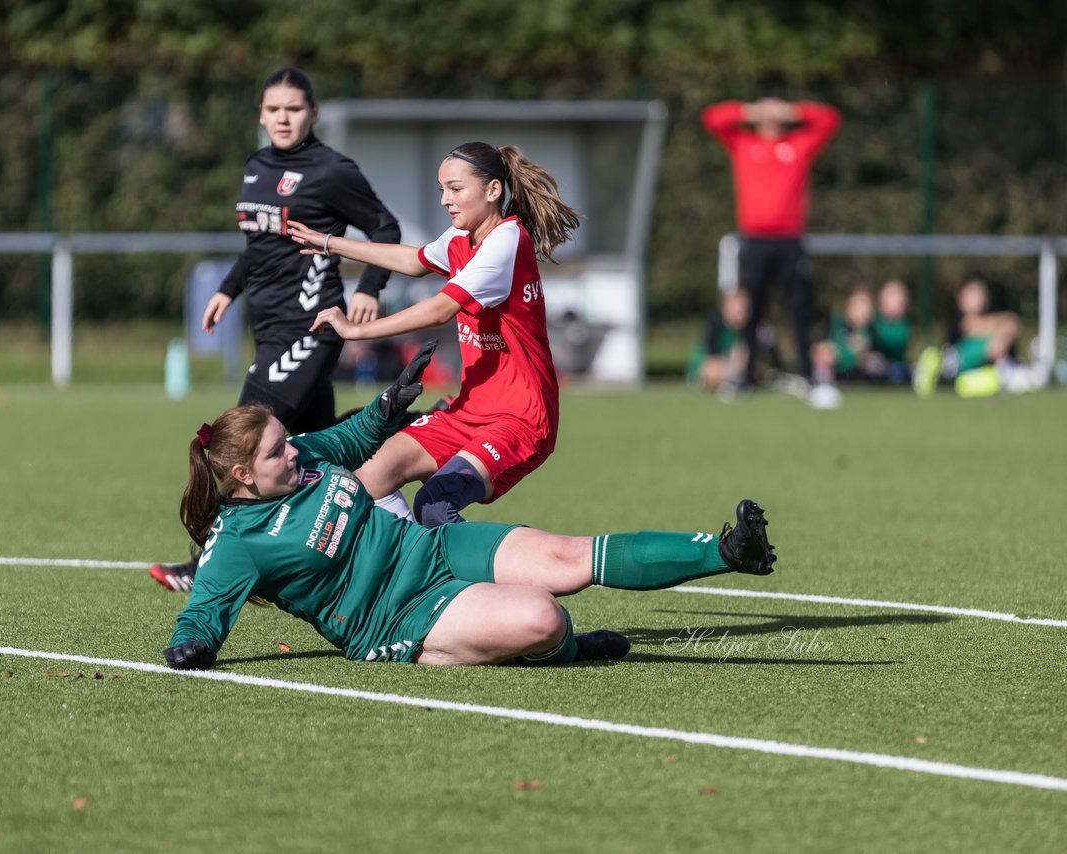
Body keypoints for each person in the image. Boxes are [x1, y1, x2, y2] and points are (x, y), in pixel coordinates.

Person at [162, 343, 777, 670]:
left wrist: (384, 407)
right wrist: (193, 646)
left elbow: (345, 441)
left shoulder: (303, 453)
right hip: (395, 616)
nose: (293, 455)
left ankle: (727, 551)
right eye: (277, 454)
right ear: (242, 476)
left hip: (431, 548)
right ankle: (567, 648)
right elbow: (205, 610)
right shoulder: (235, 540)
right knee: (543, 617)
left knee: (568, 559)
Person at [150, 67, 400, 591]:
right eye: (273, 110)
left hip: (310, 329)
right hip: (269, 329)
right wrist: (227, 288)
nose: (283, 118)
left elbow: (385, 226)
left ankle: (207, 567)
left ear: (313, 113)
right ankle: (361, 547)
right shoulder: (257, 165)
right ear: (260, 115)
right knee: (326, 450)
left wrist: (369, 288)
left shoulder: (332, 169)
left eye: (294, 109)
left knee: (237, 446)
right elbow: (259, 248)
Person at [286, 141, 579, 531]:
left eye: (455, 189)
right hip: (469, 409)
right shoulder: (461, 239)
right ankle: (417, 574)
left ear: (493, 190)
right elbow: (412, 260)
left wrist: (358, 331)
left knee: (435, 503)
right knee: (368, 477)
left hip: (520, 418)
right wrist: (328, 243)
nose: (445, 199)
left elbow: (440, 308)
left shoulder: (506, 241)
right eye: (441, 189)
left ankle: (508, 574)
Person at [702, 97, 842, 384]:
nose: (770, 122)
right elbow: (712, 118)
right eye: (765, 118)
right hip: (755, 240)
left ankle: (808, 374)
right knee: (752, 310)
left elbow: (830, 120)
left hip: (790, 240)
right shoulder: (744, 144)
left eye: (775, 118)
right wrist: (750, 110)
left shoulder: (798, 146)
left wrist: (793, 110)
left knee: (798, 309)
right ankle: (746, 376)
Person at [914, 277, 1045, 397]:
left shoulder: (992, 312)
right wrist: (996, 326)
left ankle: (1011, 376)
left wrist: (993, 327)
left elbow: (1013, 324)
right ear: (961, 298)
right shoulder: (956, 318)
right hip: (960, 362)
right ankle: (933, 373)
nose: (976, 298)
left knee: (1000, 347)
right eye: (971, 293)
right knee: (995, 343)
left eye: (979, 294)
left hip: (989, 366)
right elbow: (971, 326)